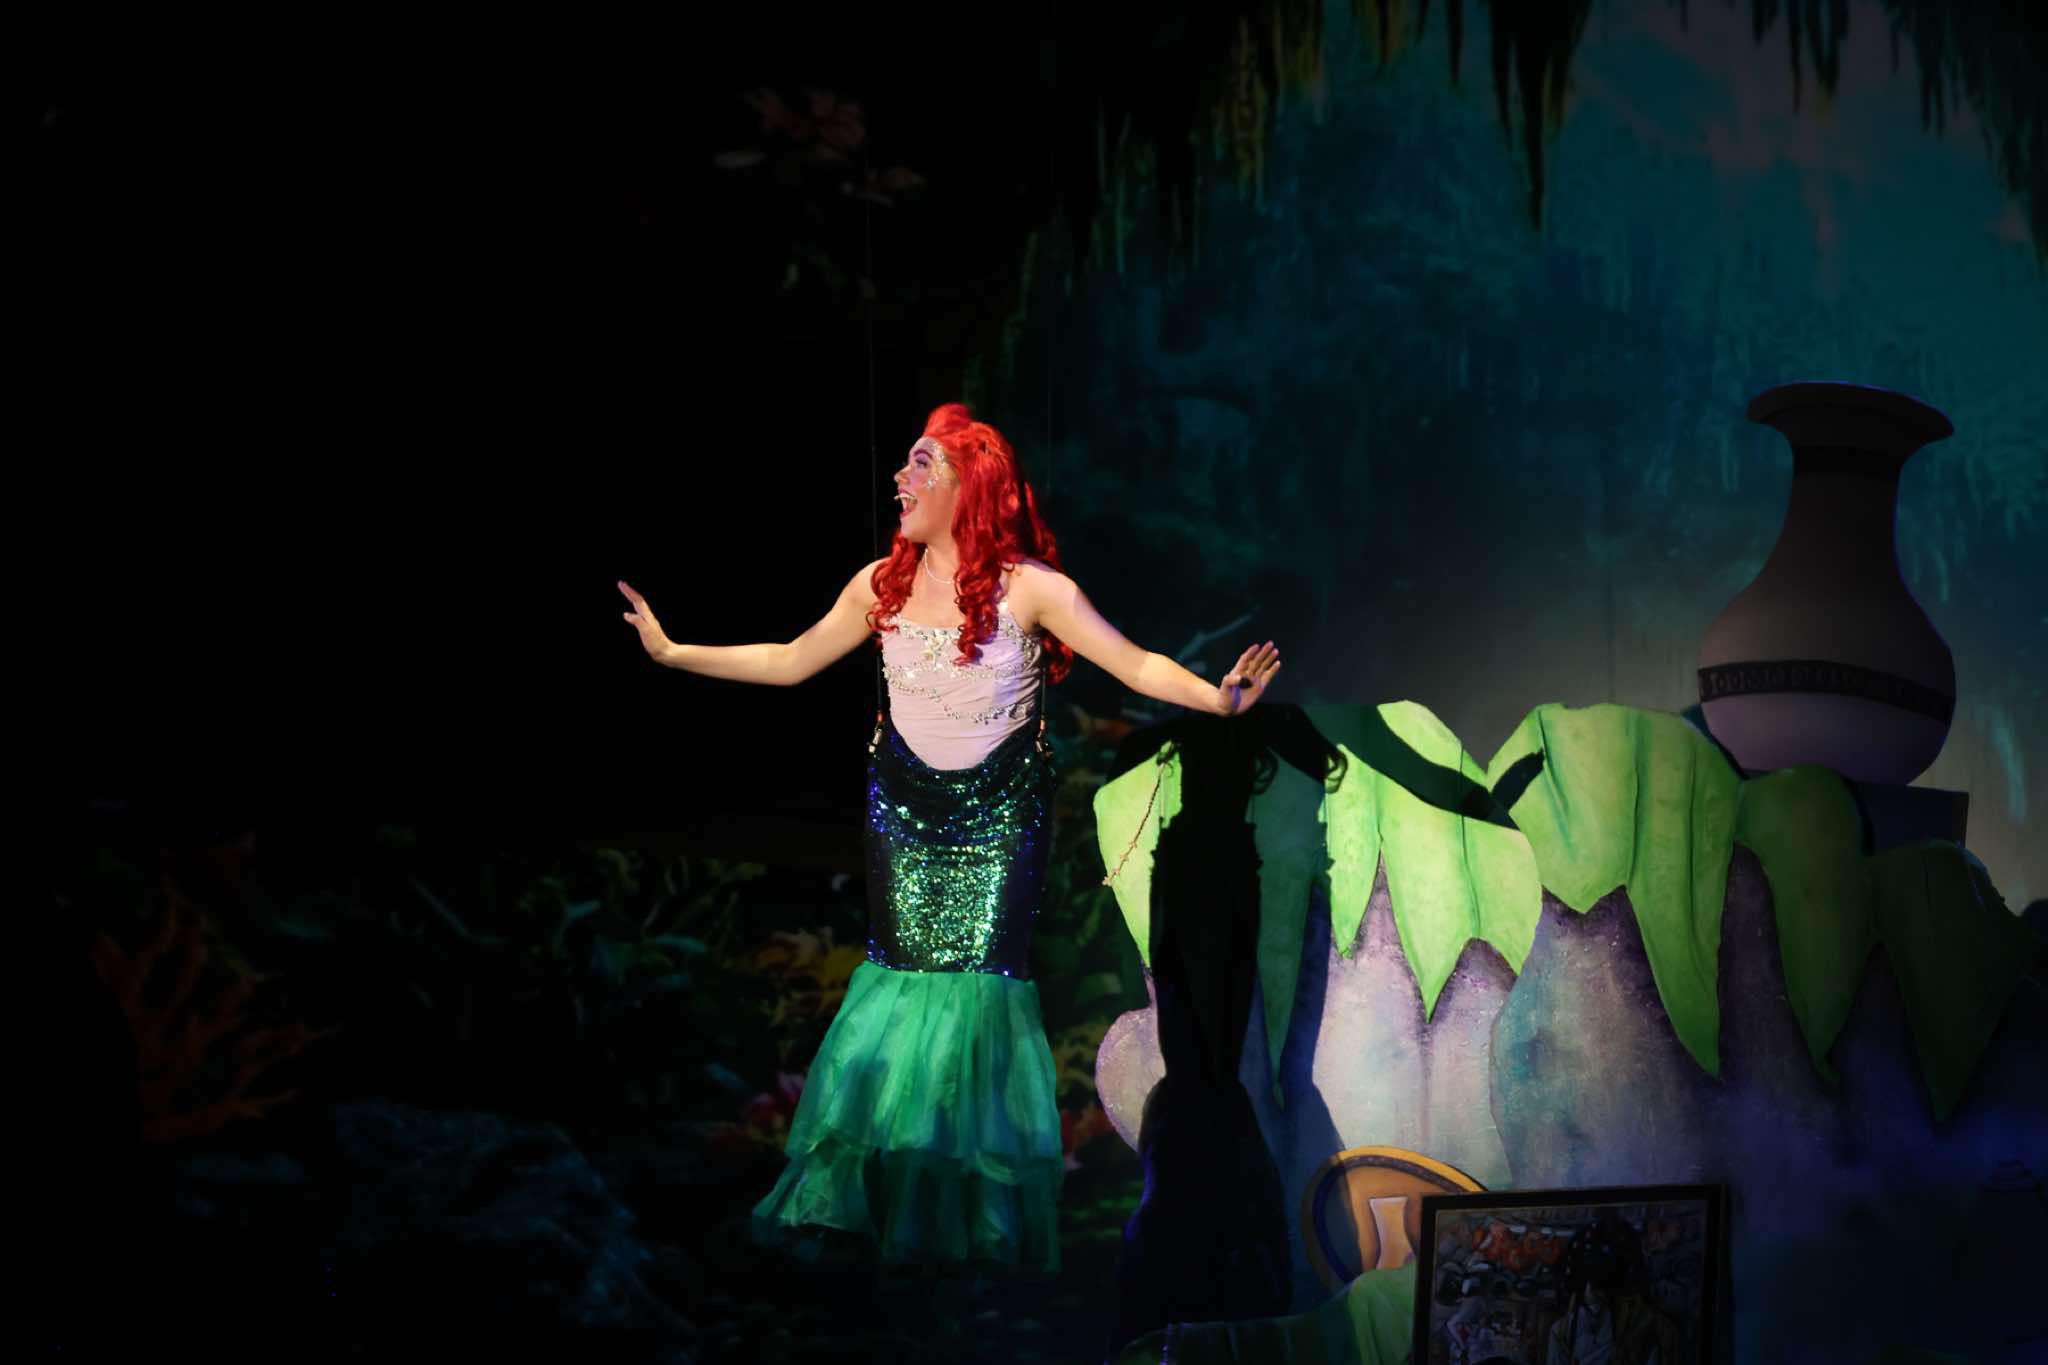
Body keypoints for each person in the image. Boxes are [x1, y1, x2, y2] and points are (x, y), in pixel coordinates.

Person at [618, 402, 1281, 1274]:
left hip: (999, 816)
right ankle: (892, 1209)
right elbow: (789, 659)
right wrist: (674, 653)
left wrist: (1217, 699)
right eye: (904, 462)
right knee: (902, 981)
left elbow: (1132, 662)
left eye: (921, 463)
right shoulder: (879, 586)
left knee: (976, 987)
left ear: (970, 485)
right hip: (905, 815)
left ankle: (969, 1221)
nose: (901, 478)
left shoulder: (1031, 588)